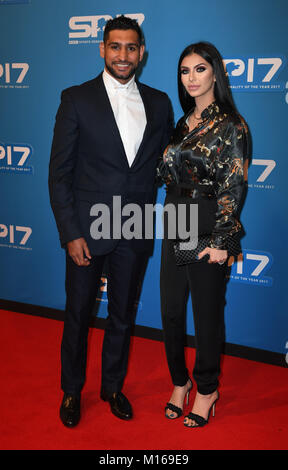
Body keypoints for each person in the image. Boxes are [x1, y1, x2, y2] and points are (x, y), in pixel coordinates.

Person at [49, 15, 173, 427]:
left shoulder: (159, 103)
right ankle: (71, 391)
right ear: (102, 49)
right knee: (78, 313)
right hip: (87, 229)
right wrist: (70, 232)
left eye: (131, 47)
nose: (123, 55)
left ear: (142, 52)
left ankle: (112, 387)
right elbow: (59, 173)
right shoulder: (76, 99)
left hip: (135, 226)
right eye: (115, 46)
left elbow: (164, 167)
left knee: (123, 313)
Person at [158, 42, 249, 428]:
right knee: (172, 309)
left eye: (199, 69)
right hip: (175, 216)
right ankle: (180, 382)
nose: (191, 78)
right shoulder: (182, 123)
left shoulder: (231, 125)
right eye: (184, 71)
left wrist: (221, 241)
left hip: (206, 221)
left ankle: (207, 389)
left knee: (206, 313)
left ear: (215, 73)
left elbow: (233, 187)